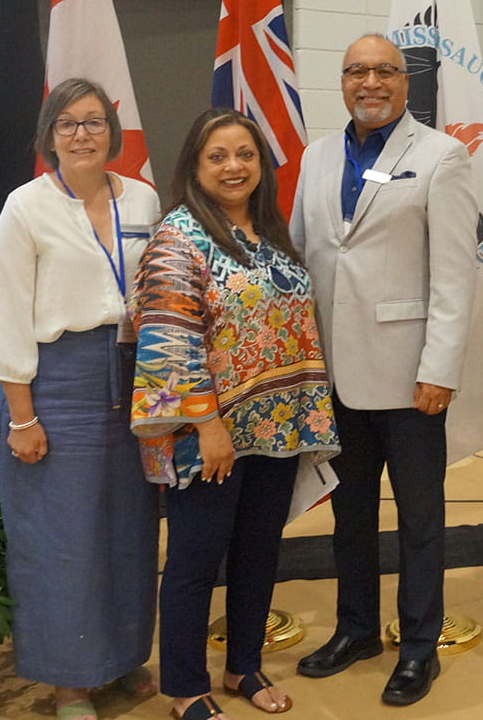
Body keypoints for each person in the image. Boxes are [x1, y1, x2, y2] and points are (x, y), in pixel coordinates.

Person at [130, 108, 339, 720]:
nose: (233, 166)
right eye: (217, 156)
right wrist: (208, 425)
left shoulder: (271, 232)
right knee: (195, 561)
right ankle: (185, 687)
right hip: (208, 435)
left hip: (276, 426)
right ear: (194, 166)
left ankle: (243, 663)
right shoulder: (177, 238)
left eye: (245, 154)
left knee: (259, 550)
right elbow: (168, 342)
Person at [290, 34, 478, 707]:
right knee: (350, 515)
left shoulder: (441, 156)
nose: (370, 82)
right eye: (357, 71)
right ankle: (357, 630)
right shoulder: (316, 157)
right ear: (342, 81)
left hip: (409, 377)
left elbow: (454, 275)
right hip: (334, 375)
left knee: (421, 519)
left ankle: (420, 646)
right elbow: (304, 255)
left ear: (405, 81)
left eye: (384, 71)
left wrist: (440, 368)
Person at [0, 78, 159, 720]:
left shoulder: (142, 198)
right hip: (55, 384)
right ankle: (70, 682)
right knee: (66, 538)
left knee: (129, 529)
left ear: (112, 132)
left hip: (134, 376)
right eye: (68, 123)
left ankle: (122, 655)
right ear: (49, 136)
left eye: (94, 122)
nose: (82, 134)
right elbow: (6, 316)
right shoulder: (25, 208)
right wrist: (22, 416)